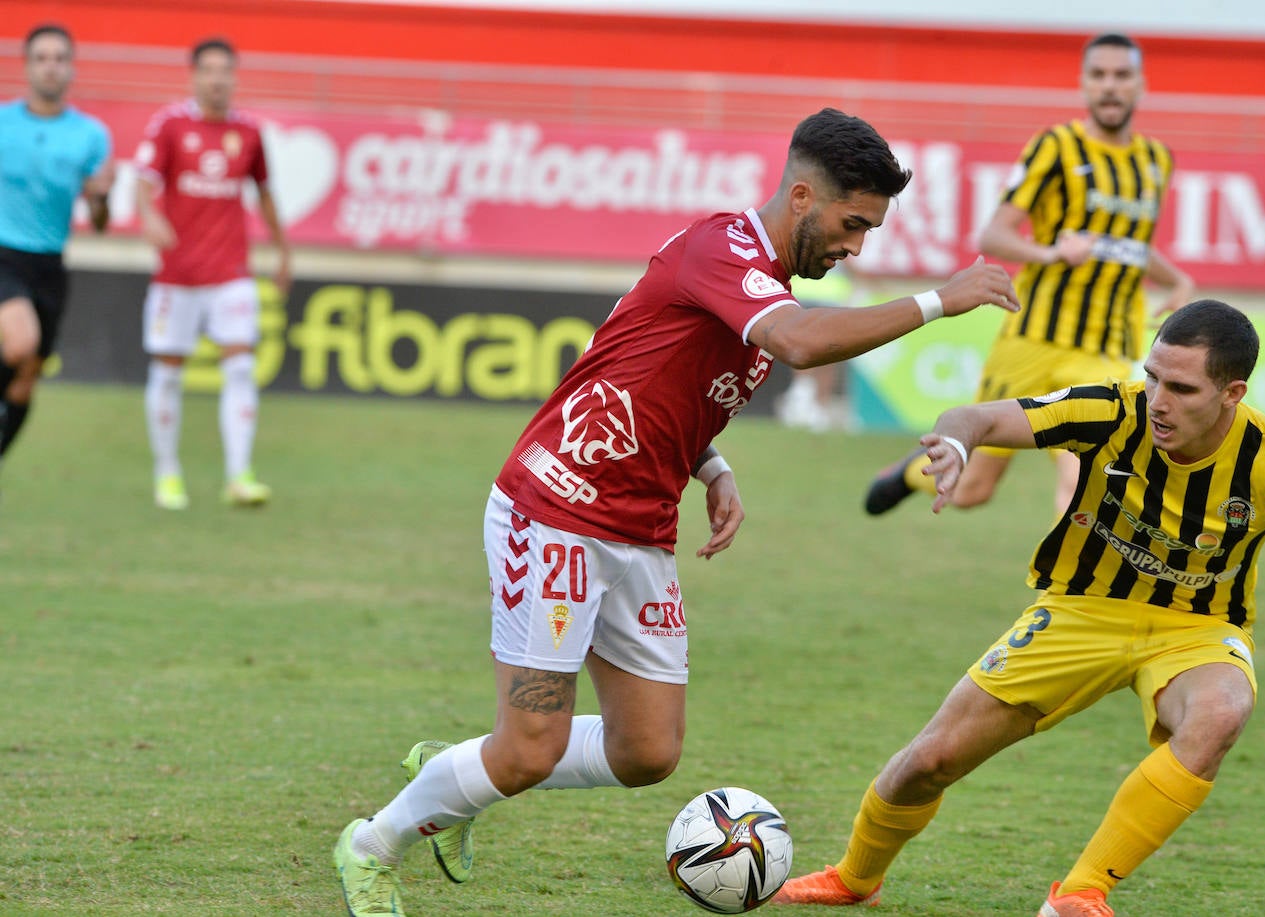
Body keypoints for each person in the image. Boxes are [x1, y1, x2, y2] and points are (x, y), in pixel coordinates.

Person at [331, 108, 1020, 917]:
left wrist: (712, 463)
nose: (856, 246)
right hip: (556, 512)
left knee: (647, 750)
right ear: (802, 195)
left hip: (640, 529)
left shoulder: (765, 286)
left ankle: (456, 769)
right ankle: (373, 844)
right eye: (851, 223)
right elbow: (800, 342)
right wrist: (941, 300)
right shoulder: (723, 248)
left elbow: (643, 360)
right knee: (529, 748)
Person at [776, 299, 1265, 916]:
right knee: (928, 762)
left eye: (1181, 387)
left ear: (1232, 391)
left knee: (1222, 711)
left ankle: (1080, 894)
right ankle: (855, 878)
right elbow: (974, 415)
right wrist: (957, 442)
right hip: (1081, 610)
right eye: (1153, 377)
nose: (1158, 399)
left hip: (1197, 629)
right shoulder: (1112, 409)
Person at [864, 32, 1194, 519]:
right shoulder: (1056, 147)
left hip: (1104, 350)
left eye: (1121, 76)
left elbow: (1130, 244)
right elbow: (993, 236)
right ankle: (912, 472)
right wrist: (1053, 252)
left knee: (1087, 476)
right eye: (1099, 75)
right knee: (972, 490)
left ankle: (1068, 593)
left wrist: (1179, 281)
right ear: (1084, 84)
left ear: (1140, 85)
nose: (1110, 86)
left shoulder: (1155, 161)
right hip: (1033, 339)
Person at [135, 37, 291, 510]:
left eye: (226, 71)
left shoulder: (248, 132)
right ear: (195, 75)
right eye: (209, 70)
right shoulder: (169, 124)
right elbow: (144, 184)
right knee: (167, 374)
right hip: (177, 275)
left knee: (240, 366)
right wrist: (148, 215)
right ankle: (167, 475)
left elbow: (263, 193)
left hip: (230, 273)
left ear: (235, 77)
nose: (218, 79)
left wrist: (283, 250)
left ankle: (239, 475)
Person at [0, 24, 113, 476]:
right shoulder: (3, 121)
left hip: (49, 264)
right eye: (42, 58)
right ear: (27, 67)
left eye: (59, 58)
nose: (51, 66)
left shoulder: (91, 135)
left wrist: (102, 198)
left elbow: (100, 223)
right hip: (3, 252)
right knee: (20, 342)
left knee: (27, 379)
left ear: (71, 68)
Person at [775, 267, 855, 432]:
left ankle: (814, 405)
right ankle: (805, 401)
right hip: (817, 296)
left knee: (824, 350)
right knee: (814, 348)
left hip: (824, 296)